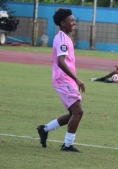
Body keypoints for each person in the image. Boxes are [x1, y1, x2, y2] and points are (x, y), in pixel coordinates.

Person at [36, 8, 85, 153]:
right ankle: (67, 145)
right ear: (63, 23)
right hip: (64, 80)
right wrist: (77, 79)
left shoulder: (65, 37)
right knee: (78, 112)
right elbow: (61, 62)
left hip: (65, 79)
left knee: (73, 113)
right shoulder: (62, 38)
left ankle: (45, 129)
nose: (74, 23)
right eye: (71, 20)